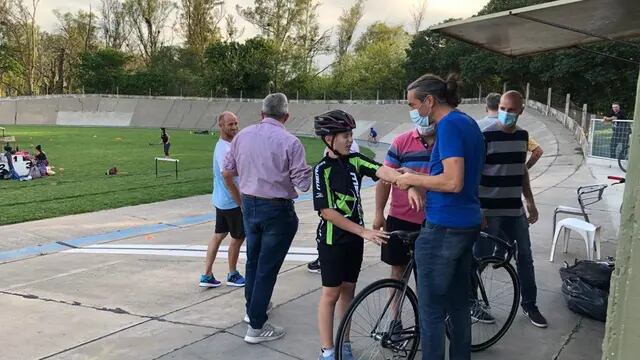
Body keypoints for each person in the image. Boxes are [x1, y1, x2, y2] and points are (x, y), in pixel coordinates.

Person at [394, 73, 485, 360]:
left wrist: (413, 179)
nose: (413, 111)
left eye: (414, 104)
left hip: (445, 228)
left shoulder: (448, 127)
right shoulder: (467, 122)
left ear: (429, 101)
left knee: (431, 312)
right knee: (458, 305)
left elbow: (453, 181)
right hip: (465, 223)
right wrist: (424, 185)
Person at [312, 110, 402, 360]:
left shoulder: (354, 161)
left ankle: (345, 342)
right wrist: (363, 230)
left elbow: (382, 171)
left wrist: (405, 180)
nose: (350, 139)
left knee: (349, 291)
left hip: (354, 241)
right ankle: (328, 350)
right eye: (345, 135)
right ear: (329, 138)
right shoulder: (321, 170)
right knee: (331, 293)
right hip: (332, 241)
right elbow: (327, 212)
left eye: (351, 134)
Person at [223, 93, 311, 344]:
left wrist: (242, 199)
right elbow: (302, 184)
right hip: (276, 209)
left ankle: (253, 310)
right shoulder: (290, 142)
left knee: (254, 261)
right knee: (267, 268)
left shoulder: (242, 136)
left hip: (250, 204)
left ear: (262, 114)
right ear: (286, 116)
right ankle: (257, 325)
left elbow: (228, 171)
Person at [475, 91, 547, 328]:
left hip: (515, 211)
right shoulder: (485, 136)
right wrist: (479, 209)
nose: (506, 113)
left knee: (525, 256)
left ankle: (530, 305)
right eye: (503, 109)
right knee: (480, 258)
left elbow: (521, 171)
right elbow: (474, 174)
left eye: (511, 110)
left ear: (521, 111)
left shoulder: (523, 136)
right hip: (489, 211)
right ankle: (471, 302)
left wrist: (530, 201)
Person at [373, 124, 434, 283]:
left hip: (433, 219)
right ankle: (395, 309)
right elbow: (384, 178)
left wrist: (415, 179)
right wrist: (379, 213)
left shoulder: (445, 143)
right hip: (400, 218)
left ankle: (424, 308)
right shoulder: (401, 142)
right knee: (398, 272)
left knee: (427, 275)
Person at [199, 112, 246, 288]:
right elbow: (227, 178)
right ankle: (232, 274)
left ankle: (207, 275)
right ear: (221, 126)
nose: (234, 127)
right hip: (231, 202)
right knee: (238, 237)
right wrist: (241, 202)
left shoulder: (225, 146)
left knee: (219, 234)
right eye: (230, 124)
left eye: (236, 123)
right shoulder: (224, 149)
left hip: (221, 200)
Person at [308, 140, 361, 273]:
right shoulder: (323, 168)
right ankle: (322, 258)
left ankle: (322, 259)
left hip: (352, 235)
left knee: (348, 285)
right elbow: (326, 211)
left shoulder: (353, 161)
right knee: (332, 289)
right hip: (333, 237)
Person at [478, 93, 544, 169]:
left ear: (486, 108)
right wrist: (525, 168)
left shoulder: (475, 126)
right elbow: (538, 152)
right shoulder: (513, 129)